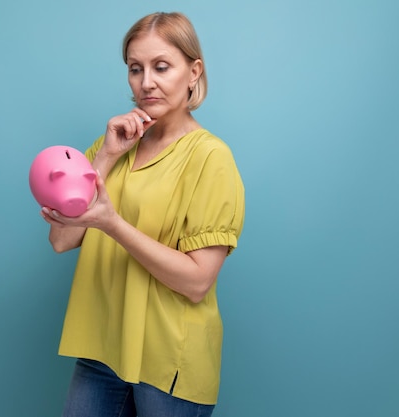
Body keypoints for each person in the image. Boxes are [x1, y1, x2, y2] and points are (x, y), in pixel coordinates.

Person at [40, 11, 245, 417]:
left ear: (193, 72)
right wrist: (108, 157)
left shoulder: (210, 158)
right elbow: (61, 240)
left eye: (161, 66)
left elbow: (197, 282)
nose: (146, 82)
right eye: (136, 69)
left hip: (168, 360)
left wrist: (112, 224)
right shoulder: (109, 146)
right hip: (102, 350)